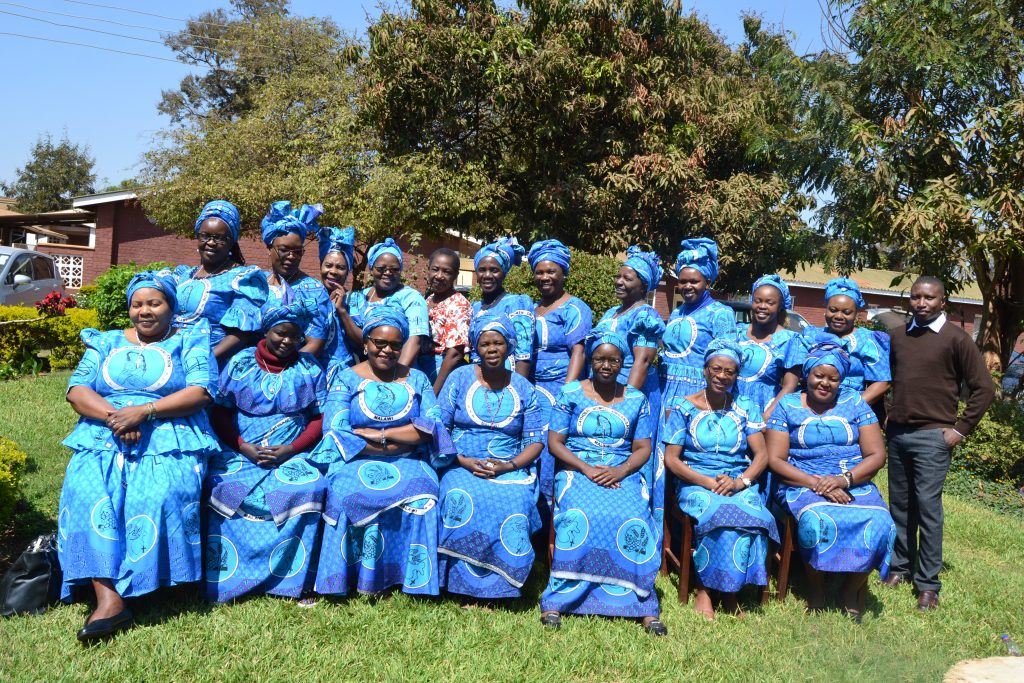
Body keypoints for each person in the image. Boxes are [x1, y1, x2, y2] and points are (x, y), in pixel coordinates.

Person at [57, 272, 219, 642]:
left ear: (172, 308)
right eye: (137, 304)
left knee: (156, 493)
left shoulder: (190, 340)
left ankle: (140, 582)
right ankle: (108, 597)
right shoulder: (106, 342)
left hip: (171, 432)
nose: (144, 311)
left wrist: (144, 412)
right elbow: (77, 390)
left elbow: (201, 391)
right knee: (87, 491)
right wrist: (117, 418)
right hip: (103, 430)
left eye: (154, 303)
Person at [313, 306, 454, 596]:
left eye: (395, 345)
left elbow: (430, 427)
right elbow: (337, 431)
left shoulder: (417, 379)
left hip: (408, 461)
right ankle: (349, 580)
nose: (387, 350)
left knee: (425, 494)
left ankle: (409, 578)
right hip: (355, 461)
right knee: (343, 493)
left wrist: (382, 434)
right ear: (365, 344)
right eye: (380, 342)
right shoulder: (345, 378)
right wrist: (400, 438)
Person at [539, 333, 667, 636]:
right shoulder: (570, 392)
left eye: (613, 360)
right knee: (579, 514)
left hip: (621, 472)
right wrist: (586, 468)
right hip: (576, 470)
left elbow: (643, 449)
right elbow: (555, 442)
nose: (606, 365)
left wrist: (620, 471)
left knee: (633, 517)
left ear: (622, 363)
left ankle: (642, 603)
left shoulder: (636, 400)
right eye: (599, 359)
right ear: (590, 361)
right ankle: (559, 599)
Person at [203, 299, 328, 604]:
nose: (287, 341)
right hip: (241, 449)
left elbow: (319, 417)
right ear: (267, 330)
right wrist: (243, 447)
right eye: (280, 333)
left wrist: (291, 449)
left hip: (293, 451)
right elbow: (219, 412)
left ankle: (292, 582)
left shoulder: (309, 368)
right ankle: (227, 579)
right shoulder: (240, 362)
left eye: (295, 336)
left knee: (309, 487)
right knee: (222, 486)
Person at [883, 276, 994, 610]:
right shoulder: (899, 337)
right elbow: (889, 380)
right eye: (915, 297)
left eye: (929, 298)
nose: (921, 303)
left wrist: (960, 429)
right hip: (899, 435)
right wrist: (889, 413)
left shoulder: (956, 339)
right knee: (900, 507)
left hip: (934, 437)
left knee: (928, 510)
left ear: (942, 301)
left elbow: (983, 389)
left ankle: (928, 584)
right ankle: (901, 567)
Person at [765, 340, 896, 622]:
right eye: (818, 376)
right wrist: (818, 484)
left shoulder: (854, 403)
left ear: (841, 380)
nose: (825, 383)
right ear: (806, 375)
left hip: (851, 480)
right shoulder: (787, 404)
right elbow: (776, 460)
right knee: (817, 520)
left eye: (833, 378)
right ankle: (817, 588)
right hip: (800, 480)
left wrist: (842, 480)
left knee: (881, 523)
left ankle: (851, 590)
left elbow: (876, 454)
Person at [662, 339, 778, 620]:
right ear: (704, 370)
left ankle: (731, 591)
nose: (722, 376)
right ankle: (705, 588)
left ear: (736, 376)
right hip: (695, 482)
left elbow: (761, 455)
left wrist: (740, 483)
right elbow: (672, 459)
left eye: (729, 372)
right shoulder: (683, 407)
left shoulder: (745, 407)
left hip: (736, 480)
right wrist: (706, 482)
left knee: (754, 513)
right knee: (717, 512)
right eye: (716, 369)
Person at [436, 313, 544, 600]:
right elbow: (439, 428)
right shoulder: (458, 378)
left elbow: (535, 443)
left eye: (498, 343)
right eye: (485, 344)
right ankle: (457, 585)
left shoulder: (523, 387)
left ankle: (502, 588)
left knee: (515, 503)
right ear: (475, 347)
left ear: (509, 346)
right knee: (459, 495)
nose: (492, 349)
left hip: (509, 466)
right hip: (460, 462)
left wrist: (508, 465)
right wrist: (461, 460)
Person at [591, 246, 666, 525]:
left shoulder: (646, 316)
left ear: (643, 285)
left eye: (628, 278)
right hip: (603, 390)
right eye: (619, 276)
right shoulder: (613, 312)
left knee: (628, 452)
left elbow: (642, 362)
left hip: (630, 394)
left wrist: (626, 405)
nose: (619, 282)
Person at [527, 239, 592, 504]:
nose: (545, 277)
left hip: (559, 389)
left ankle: (551, 509)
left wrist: (566, 394)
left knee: (550, 445)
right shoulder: (531, 309)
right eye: (540, 272)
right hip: (532, 388)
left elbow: (578, 351)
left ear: (564, 273)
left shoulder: (575, 308)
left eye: (551, 271)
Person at [169, 200, 268, 365]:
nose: (211, 242)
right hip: (172, 355)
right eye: (205, 236)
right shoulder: (184, 275)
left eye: (220, 238)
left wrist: (204, 361)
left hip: (213, 361)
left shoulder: (242, 278)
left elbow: (240, 335)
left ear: (231, 242)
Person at [785, 277, 891, 406]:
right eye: (833, 310)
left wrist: (853, 408)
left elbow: (882, 382)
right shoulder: (811, 336)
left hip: (851, 408)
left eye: (847, 312)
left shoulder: (868, 340)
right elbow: (793, 375)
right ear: (826, 308)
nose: (839, 316)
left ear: (857, 313)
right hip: (809, 405)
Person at [660, 238, 735, 416]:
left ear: (707, 283)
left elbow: (726, 361)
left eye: (694, 281)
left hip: (698, 393)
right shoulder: (677, 313)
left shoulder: (720, 314)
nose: (687, 286)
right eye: (682, 281)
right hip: (664, 387)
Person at [262, 200, 332, 358]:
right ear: (269, 249)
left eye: (297, 252)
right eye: (284, 250)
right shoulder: (258, 284)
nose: (291, 256)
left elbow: (315, 342)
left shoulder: (313, 290)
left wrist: (280, 368)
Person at [347, 238, 431, 368]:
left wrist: (395, 377)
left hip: (399, 371)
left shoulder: (411, 297)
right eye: (381, 268)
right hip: (364, 369)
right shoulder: (361, 296)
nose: (387, 273)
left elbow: (414, 341)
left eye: (394, 269)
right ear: (371, 268)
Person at [734, 274, 800, 420]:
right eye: (758, 301)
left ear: (780, 306)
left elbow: (790, 386)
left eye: (770, 302)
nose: (762, 306)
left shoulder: (790, 340)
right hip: (731, 408)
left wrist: (768, 415)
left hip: (765, 410)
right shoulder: (736, 333)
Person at [472, 237, 535, 377]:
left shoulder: (517, 304)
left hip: (508, 381)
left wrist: (518, 390)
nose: (487, 275)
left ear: (504, 273)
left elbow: (523, 356)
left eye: (494, 270)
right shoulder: (475, 308)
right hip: (478, 381)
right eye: (482, 270)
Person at [420, 247, 472, 394]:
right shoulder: (429, 299)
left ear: (456, 275)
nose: (439, 276)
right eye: (435, 269)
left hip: (442, 372)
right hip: (423, 367)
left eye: (447, 272)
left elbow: (455, 353)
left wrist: (434, 392)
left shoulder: (458, 304)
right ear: (428, 270)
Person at [316, 224, 361, 369]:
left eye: (341, 268)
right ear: (321, 266)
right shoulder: (309, 296)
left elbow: (363, 343)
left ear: (348, 271)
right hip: (312, 371)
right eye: (328, 265)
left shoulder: (356, 301)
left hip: (344, 374)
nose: (333, 271)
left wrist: (342, 311)